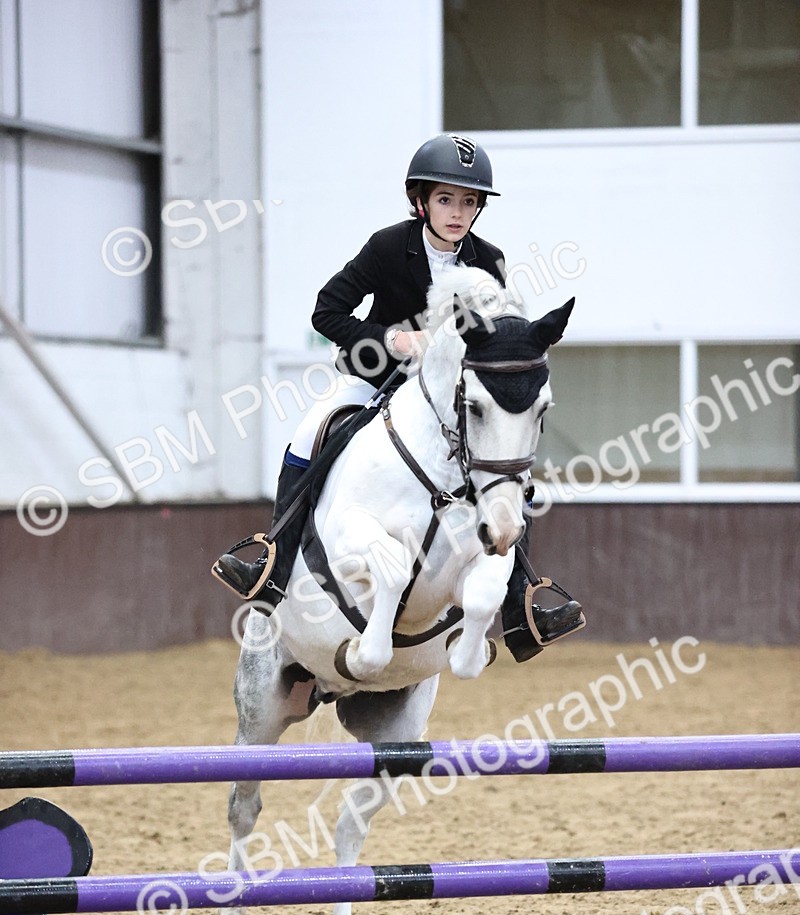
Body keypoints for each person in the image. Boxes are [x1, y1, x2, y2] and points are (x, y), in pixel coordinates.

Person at [212, 134, 584, 661]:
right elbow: (326, 311)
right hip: (379, 375)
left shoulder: (489, 258)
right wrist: (393, 339)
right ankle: (272, 561)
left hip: (450, 391)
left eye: (469, 202)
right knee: (308, 430)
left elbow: (498, 334)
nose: (458, 213)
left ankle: (521, 605)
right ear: (421, 201)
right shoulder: (388, 246)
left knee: (502, 470)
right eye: (446, 200)